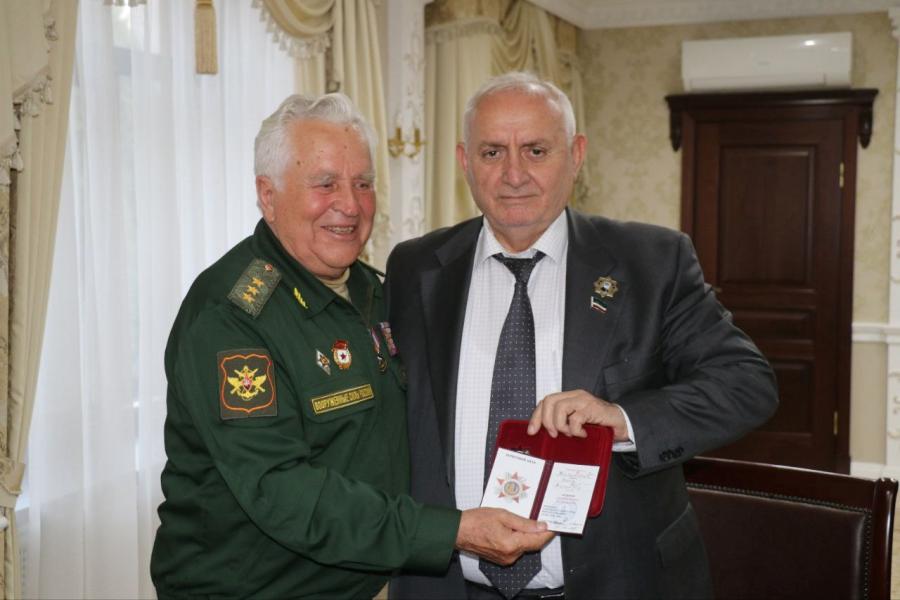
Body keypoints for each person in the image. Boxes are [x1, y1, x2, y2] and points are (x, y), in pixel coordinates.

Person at [385, 72, 778, 599]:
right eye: (492, 152)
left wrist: (623, 419)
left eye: (536, 151)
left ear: (576, 155)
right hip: (448, 586)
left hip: (619, 582)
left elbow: (747, 383)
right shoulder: (414, 268)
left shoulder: (651, 262)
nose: (514, 174)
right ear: (464, 162)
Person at [150, 92, 552, 599]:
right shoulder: (233, 317)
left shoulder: (376, 291)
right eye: (325, 184)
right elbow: (282, 490)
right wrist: (452, 531)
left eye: (362, 183)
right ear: (268, 196)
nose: (349, 204)